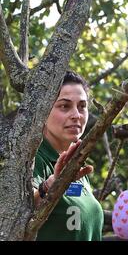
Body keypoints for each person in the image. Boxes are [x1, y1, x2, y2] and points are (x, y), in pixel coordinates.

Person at [33, 71, 104, 241]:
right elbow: (18, 211)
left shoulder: (77, 165)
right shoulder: (33, 158)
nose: (76, 115)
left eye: (82, 106)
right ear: (43, 110)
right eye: (65, 106)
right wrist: (50, 186)